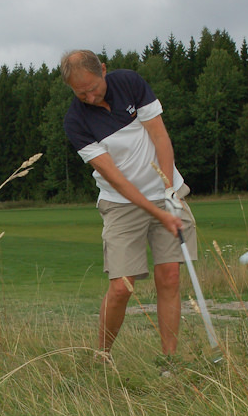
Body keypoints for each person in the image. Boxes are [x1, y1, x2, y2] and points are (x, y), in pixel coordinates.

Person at [61, 49, 197, 367]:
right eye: (80, 93)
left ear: (103, 70)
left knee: (170, 277)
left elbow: (160, 137)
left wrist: (169, 191)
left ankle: (169, 363)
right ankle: (102, 356)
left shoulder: (130, 83)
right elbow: (117, 180)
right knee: (122, 288)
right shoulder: (76, 121)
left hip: (165, 192)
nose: (90, 98)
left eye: (93, 88)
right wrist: (159, 214)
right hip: (121, 204)